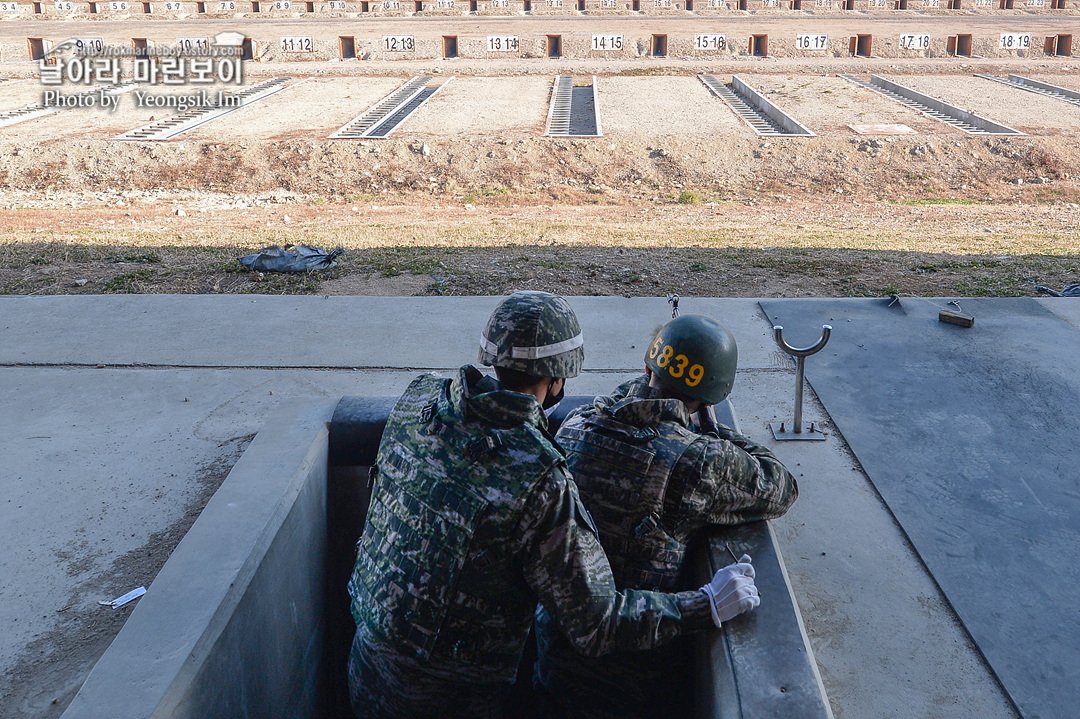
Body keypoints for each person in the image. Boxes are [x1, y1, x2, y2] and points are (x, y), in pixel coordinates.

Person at [346, 292, 760, 719]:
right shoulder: (539, 478)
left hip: (366, 670)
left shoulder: (419, 398)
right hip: (453, 700)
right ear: (560, 378)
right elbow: (596, 622)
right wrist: (706, 603)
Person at [534, 313, 799, 719]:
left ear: (647, 367)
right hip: (631, 685)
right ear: (711, 399)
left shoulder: (576, 423)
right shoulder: (699, 459)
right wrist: (715, 430)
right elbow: (781, 485)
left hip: (549, 662)